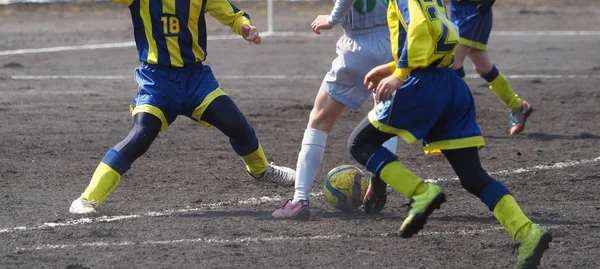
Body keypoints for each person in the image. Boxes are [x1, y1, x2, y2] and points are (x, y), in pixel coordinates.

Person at [347, 0, 551, 268]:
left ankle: (421, 192)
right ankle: (527, 233)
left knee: (360, 143)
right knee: (472, 176)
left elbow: (419, 29)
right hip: (450, 85)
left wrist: (399, 74)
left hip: (422, 86)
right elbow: (441, 34)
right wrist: (391, 67)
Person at [69, 0, 295, 214]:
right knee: (140, 136)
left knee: (236, 125)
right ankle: (87, 198)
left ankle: (260, 170)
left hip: (195, 80)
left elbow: (233, 15)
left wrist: (245, 27)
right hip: (158, 81)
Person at [271, 0, 399, 220]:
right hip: (392, 40)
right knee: (384, 117)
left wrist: (332, 19)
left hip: (357, 46)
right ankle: (379, 176)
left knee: (319, 121)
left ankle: (299, 200)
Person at [450, 0, 532, 135]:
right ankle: (517, 106)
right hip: (458, 10)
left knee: (453, 63)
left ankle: (463, 117)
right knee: (482, 66)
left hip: (474, 11)